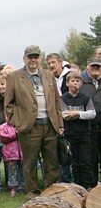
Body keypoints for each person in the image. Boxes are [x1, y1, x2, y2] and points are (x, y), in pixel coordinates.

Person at [4, 45, 64, 199]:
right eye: (30, 56)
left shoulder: (49, 75)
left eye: (36, 56)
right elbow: (8, 105)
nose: (33, 59)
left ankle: (52, 192)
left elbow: (57, 101)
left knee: (52, 162)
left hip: (50, 125)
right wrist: (18, 122)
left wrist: (60, 123)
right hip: (29, 127)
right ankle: (32, 193)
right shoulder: (14, 77)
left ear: (40, 58)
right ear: (24, 58)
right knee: (30, 162)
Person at [61, 71, 95, 188]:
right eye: (72, 81)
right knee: (74, 163)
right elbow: (64, 115)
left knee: (85, 162)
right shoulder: (63, 99)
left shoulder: (85, 98)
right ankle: (78, 186)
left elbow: (92, 113)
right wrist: (81, 114)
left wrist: (77, 113)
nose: (75, 83)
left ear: (81, 83)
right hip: (70, 135)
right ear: (67, 83)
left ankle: (88, 185)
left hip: (84, 134)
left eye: (77, 81)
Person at [81, 57, 101, 184]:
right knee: (91, 159)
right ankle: (93, 186)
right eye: (93, 66)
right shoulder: (82, 83)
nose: (95, 69)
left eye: (98, 67)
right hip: (89, 127)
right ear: (87, 68)